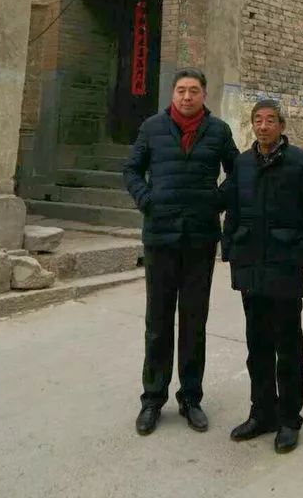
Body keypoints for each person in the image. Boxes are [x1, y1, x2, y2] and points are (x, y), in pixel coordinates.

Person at [124, 68, 239, 436]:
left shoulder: (218, 131)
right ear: (172, 95)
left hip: (200, 239)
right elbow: (131, 171)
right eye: (180, 91)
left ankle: (191, 398)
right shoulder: (152, 128)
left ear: (204, 95)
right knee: (157, 323)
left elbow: (237, 173)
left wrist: (215, 202)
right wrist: (147, 200)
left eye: (193, 91)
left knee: (194, 323)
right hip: (160, 237)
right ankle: (152, 400)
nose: (186, 97)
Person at [221, 99, 303, 454]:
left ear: (281, 125)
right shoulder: (242, 164)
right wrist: (230, 250)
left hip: (284, 267)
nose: (263, 126)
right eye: (258, 120)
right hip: (251, 266)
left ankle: (289, 419)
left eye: (270, 120)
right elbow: (232, 210)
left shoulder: (301, 164)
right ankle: (262, 412)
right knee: (257, 345)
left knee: (288, 345)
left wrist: (300, 256)